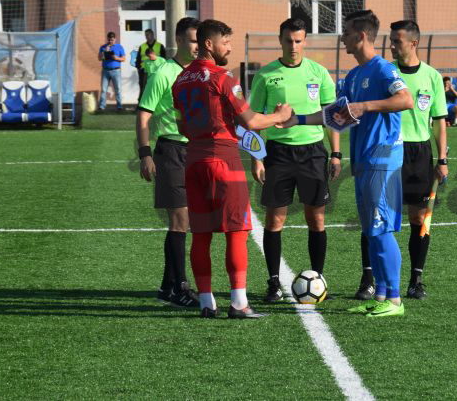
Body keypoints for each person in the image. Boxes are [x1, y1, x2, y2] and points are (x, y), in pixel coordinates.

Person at [279, 9, 414, 318]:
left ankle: (395, 300)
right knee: (370, 229)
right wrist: (297, 120)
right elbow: (334, 114)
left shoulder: (383, 69)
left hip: (383, 158)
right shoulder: (353, 76)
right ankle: (381, 294)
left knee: (380, 228)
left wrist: (365, 106)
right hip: (364, 158)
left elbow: (405, 100)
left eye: (346, 33)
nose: (342, 38)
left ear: (361, 36)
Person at [172, 19, 293, 319]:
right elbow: (251, 121)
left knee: (201, 235)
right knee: (237, 231)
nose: (229, 48)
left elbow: (181, 125)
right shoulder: (223, 77)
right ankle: (239, 303)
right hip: (223, 160)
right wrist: (279, 116)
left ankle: (206, 302)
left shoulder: (180, 80)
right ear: (209, 44)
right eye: (225, 43)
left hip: (194, 160)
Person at [248, 18, 342, 303]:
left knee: (316, 219)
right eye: (288, 40)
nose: (293, 46)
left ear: (305, 41)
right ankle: (274, 283)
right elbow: (254, 121)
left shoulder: (319, 73)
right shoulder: (265, 75)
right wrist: (257, 158)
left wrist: (336, 154)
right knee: (275, 220)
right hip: (279, 154)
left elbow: (332, 117)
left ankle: (318, 279)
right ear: (280, 40)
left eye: (298, 40)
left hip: (313, 152)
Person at [136, 17, 201, 308]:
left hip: (197, 152)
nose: (197, 46)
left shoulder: (201, 73)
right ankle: (180, 287)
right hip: (171, 151)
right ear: (179, 40)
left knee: (184, 223)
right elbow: (143, 114)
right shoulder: (163, 72)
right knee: (180, 220)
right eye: (192, 40)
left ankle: (167, 287)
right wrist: (145, 154)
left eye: (200, 41)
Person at [388, 20, 448, 299]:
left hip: (419, 153)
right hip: (389, 149)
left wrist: (442, 159)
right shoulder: (386, 72)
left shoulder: (432, 76)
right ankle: (369, 280)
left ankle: (415, 280)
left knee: (419, 218)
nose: (391, 45)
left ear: (413, 43)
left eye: (397, 41)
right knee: (380, 217)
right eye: (391, 40)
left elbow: (439, 121)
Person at [98, 31, 125, 111]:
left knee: (118, 89)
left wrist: (116, 58)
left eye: (112, 40)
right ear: (107, 39)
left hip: (116, 71)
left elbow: (124, 59)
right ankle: (102, 106)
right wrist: (104, 52)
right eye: (109, 40)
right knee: (103, 89)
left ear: (115, 39)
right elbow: (99, 58)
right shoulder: (103, 47)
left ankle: (119, 106)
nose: (110, 41)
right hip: (105, 70)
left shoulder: (119, 47)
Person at [136, 29, 166, 100]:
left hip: (156, 71)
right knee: (143, 88)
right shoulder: (142, 46)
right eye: (145, 35)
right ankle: (141, 104)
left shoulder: (160, 46)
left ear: (152, 35)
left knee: (156, 88)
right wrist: (139, 68)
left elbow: (164, 58)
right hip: (144, 70)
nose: (146, 36)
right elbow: (138, 59)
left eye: (148, 35)